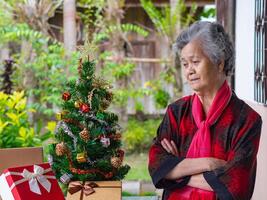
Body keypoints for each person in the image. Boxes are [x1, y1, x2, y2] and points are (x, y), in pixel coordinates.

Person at [148, 21, 262, 200]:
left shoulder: (247, 119)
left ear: (219, 63)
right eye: (185, 64)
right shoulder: (177, 112)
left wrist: (179, 169)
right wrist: (209, 164)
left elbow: (237, 185)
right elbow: (157, 166)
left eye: (195, 62)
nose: (189, 71)